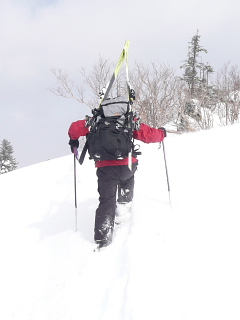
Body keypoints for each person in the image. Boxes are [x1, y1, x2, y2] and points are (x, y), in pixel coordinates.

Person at [68, 117, 166, 250]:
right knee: (127, 179)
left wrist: (73, 140)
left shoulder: (95, 120)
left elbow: (74, 129)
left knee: (106, 201)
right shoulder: (127, 119)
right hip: (127, 165)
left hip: (105, 169)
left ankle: (102, 239)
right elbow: (149, 135)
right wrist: (162, 133)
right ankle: (124, 206)